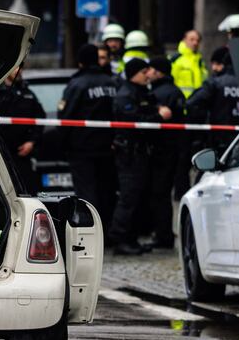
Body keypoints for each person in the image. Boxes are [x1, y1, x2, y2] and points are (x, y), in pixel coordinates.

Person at [58, 43, 123, 223]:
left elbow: (65, 117)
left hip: (82, 149)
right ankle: (107, 232)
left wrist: (62, 145)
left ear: (80, 62)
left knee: (87, 194)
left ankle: (91, 231)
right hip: (108, 148)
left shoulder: (77, 84)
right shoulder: (112, 83)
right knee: (106, 191)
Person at [109, 58, 164, 255]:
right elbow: (135, 122)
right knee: (128, 196)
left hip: (142, 152)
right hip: (129, 154)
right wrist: (159, 116)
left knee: (139, 197)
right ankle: (120, 239)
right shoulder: (125, 95)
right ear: (134, 74)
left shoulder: (141, 92)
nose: (148, 74)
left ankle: (132, 238)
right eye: (144, 71)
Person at [143, 56, 186, 249]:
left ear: (159, 71)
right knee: (164, 193)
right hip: (173, 147)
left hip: (160, 148)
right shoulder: (175, 91)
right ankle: (164, 232)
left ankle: (162, 235)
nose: (148, 73)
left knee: (158, 193)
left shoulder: (158, 94)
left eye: (150, 69)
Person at [0, 67, 44, 192]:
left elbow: (39, 119)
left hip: (22, 152)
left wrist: (32, 142)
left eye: (21, 67)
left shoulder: (27, 93)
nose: (19, 70)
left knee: (27, 189)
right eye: (16, 67)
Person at [184, 47, 239, 152]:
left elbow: (192, 103)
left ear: (223, 64)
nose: (213, 68)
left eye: (216, 64)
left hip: (219, 137)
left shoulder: (215, 83)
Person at [171, 29, 205, 97]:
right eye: (192, 39)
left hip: (197, 102)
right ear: (184, 40)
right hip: (181, 102)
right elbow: (170, 82)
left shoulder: (200, 61)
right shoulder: (176, 59)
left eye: (198, 40)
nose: (195, 43)